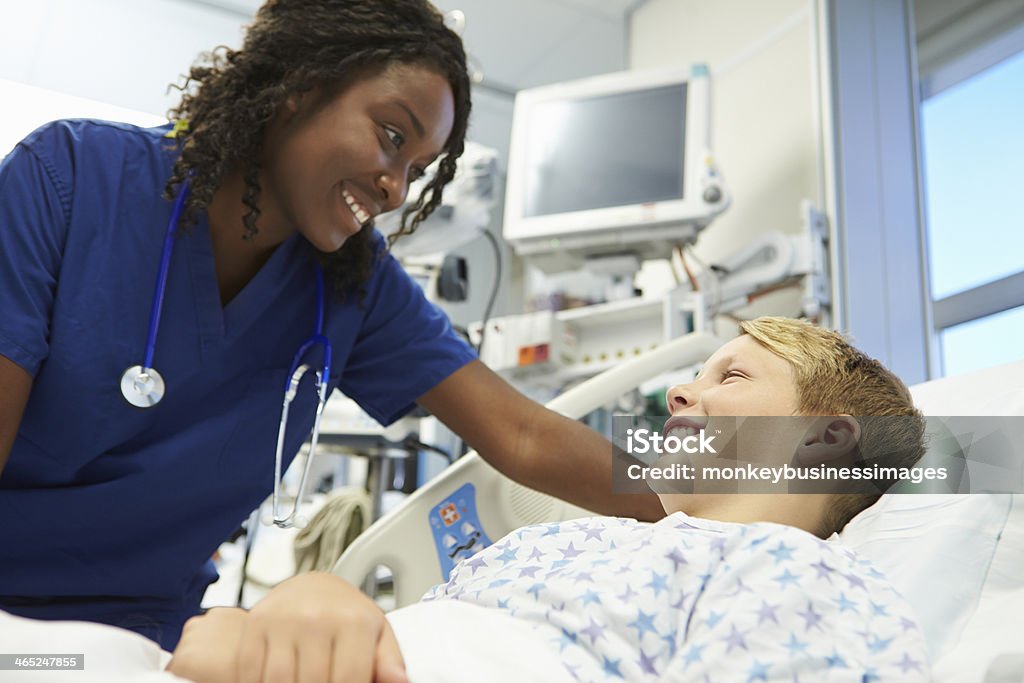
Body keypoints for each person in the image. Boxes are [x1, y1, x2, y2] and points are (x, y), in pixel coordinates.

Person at [0, 0, 661, 655]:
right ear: (299, 85)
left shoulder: (351, 282)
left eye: (416, 170)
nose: (397, 189)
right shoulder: (69, 180)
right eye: (393, 137)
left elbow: (523, 431)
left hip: (150, 640)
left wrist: (758, 464)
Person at [166, 316, 932, 682]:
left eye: (731, 377)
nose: (678, 391)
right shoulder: (561, 544)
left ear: (827, 440)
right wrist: (307, 607)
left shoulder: (800, 576)